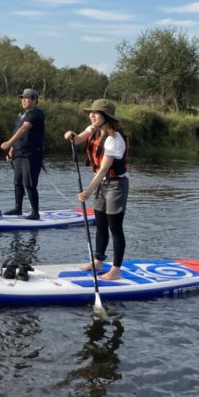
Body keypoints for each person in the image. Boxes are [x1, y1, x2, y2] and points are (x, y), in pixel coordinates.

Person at [63, 98, 129, 281]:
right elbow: (77, 140)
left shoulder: (114, 139)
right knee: (100, 224)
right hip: (101, 183)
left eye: (96, 113)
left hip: (116, 185)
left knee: (115, 227)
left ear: (106, 117)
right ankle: (98, 262)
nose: (92, 115)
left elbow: (103, 170)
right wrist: (70, 135)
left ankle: (115, 270)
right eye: (91, 112)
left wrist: (88, 191)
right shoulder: (93, 129)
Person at [0, 88, 46, 220]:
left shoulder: (36, 113)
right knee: (17, 182)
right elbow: (17, 131)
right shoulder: (21, 115)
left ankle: (35, 212)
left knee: (29, 183)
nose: (24, 100)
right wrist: (12, 149)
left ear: (34, 100)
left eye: (27, 98)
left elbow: (24, 129)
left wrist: (9, 142)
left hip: (32, 154)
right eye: (23, 98)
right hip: (19, 153)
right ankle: (18, 208)